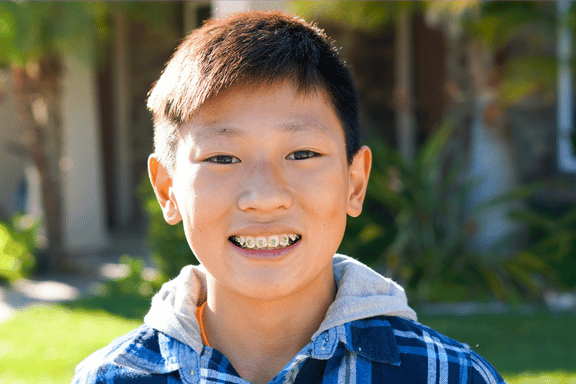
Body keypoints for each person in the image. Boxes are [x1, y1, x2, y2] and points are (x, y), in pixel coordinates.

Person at [72, 11, 505, 384]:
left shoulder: (449, 375)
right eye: (223, 157)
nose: (264, 197)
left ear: (354, 182)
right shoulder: (110, 377)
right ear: (167, 190)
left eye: (302, 153)